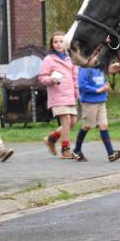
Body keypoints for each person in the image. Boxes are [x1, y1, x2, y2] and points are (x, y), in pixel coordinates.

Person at [40, 31, 80, 160]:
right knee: (66, 120)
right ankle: (65, 150)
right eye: (55, 42)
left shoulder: (70, 58)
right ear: (52, 44)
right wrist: (51, 79)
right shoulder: (49, 59)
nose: (58, 44)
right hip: (57, 95)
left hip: (69, 95)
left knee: (72, 122)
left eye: (61, 41)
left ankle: (51, 139)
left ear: (66, 43)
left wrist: (76, 92)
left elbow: (75, 77)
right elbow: (42, 77)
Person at [73, 66, 120, 162]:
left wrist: (106, 86)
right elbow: (81, 85)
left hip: (101, 101)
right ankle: (76, 150)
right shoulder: (85, 68)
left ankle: (111, 154)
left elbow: (102, 81)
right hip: (89, 102)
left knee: (103, 125)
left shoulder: (101, 67)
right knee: (87, 126)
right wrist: (97, 90)